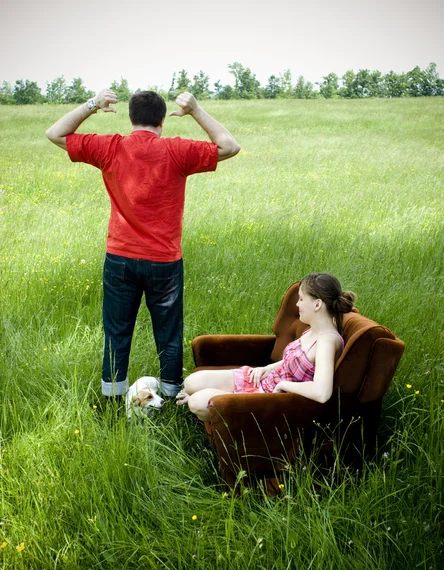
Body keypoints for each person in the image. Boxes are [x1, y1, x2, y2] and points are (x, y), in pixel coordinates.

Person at [45, 88, 240, 401]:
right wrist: (195, 110)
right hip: (165, 262)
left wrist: (94, 104)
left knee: (116, 333)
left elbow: (54, 133)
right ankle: (172, 396)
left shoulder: (110, 146)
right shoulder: (177, 150)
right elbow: (230, 146)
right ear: (162, 121)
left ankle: (112, 399)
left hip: (120, 258)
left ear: (131, 117)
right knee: (169, 335)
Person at [176, 273, 356, 421]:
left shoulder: (326, 341)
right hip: (266, 380)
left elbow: (322, 392)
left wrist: (284, 384)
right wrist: (267, 368)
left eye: (301, 299)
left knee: (197, 402)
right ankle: (216, 394)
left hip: (269, 397)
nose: (297, 304)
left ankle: (216, 398)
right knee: (191, 382)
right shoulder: (313, 330)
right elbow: (298, 362)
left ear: (317, 304)